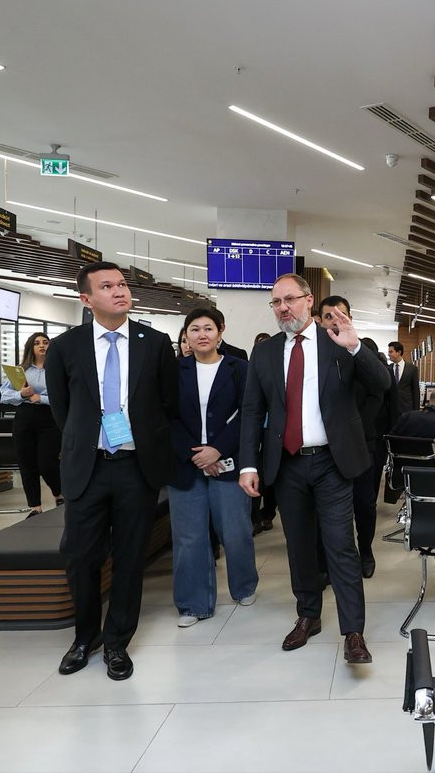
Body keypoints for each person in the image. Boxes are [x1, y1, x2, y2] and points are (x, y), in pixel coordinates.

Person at [239, 273, 390, 664]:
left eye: (290, 299)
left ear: (309, 300)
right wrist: (248, 464)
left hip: (331, 463)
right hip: (286, 463)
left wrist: (355, 346)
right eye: (276, 302)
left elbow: (382, 384)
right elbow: (252, 411)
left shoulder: (338, 341)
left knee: (340, 544)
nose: (283, 308)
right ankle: (308, 614)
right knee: (299, 544)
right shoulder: (265, 353)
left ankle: (353, 631)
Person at [46, 261, 179, 681]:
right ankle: (85, 637)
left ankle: (117, 641)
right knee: (80, 556)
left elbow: (168, 403)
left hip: (135, 468)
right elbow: (62, 410)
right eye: (107, 286)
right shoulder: (65, 347)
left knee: (129, 558)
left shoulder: (154, 343)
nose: (120, 291)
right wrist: (87, 440)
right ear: (86, 299)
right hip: (88, 467)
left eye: (122, 284)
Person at [168, 308, 257, 627]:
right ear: (186, 336)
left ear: (220, 332)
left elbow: (249, 413)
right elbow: (165, 415)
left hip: (228, 462)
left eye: (208, 328)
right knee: (189, 537)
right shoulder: (173, 371)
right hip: (186, 464)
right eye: (194, 329)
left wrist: (217, 449)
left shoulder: (239, 369)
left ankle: (244, 585)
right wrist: (196, 454)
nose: (201, 334)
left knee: (235, 531)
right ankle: (193, 604)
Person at [318, 296, 389, 578]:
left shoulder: (361, 351)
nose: (335, 321)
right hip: (325, 445)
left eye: (341, 315)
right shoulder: (315, 351)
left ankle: (366, 550)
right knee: (327, 507)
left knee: (364, 503)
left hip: (361, 441)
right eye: (328, 316)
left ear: (350, 317)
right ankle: (327, 561)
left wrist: (354, 428)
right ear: (319, 320)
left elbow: (378, 391)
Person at [0, 333, 63, 516]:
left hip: (50, 418)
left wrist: (40, 398)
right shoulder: (21, 371)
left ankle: (59, 493)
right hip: (24, 418)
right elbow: (4, 396)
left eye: (45, 342)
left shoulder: (58, 369)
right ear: (30, 348)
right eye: (37, 343)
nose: (42, 345)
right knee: (27, 464)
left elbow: (65, 397)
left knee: (47, 463)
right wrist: (21, 394)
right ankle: (35, 507)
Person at [249, 330, 278, 534]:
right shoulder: (252, 370)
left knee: (272, 479)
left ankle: (268, 514)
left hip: (274, 433)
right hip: (258, 432)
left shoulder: (279, 372)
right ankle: (254, 517)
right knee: (256, 475)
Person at [387, 341, 419, 422]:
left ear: (399, 352)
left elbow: (416, 391)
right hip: (391, 411)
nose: (388, 354)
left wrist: (416, 412)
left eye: (391, 352)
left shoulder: (412, 369)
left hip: (407, 409)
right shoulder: (388, 368)